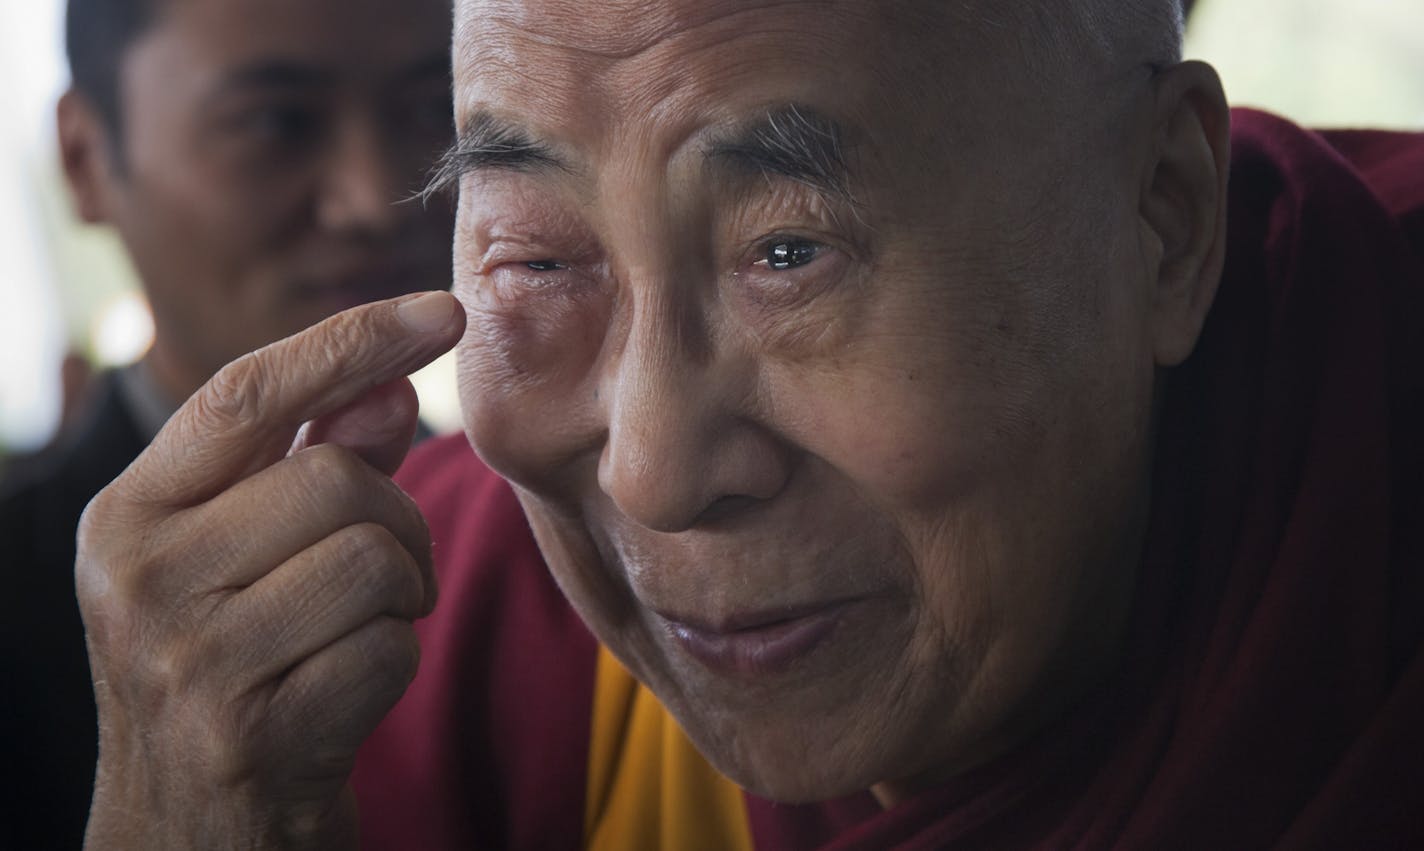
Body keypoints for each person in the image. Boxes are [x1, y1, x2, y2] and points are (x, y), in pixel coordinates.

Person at [73, 0, 1423, 848]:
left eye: (789, 252)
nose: (653, 471)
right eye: (538, 257)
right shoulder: (429, 638)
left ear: (1164, 220)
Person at [0, 0, 454, 846]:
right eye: (278, 122)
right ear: (86, 158)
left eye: (435, 109)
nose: (374, 201)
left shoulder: (557, 537)